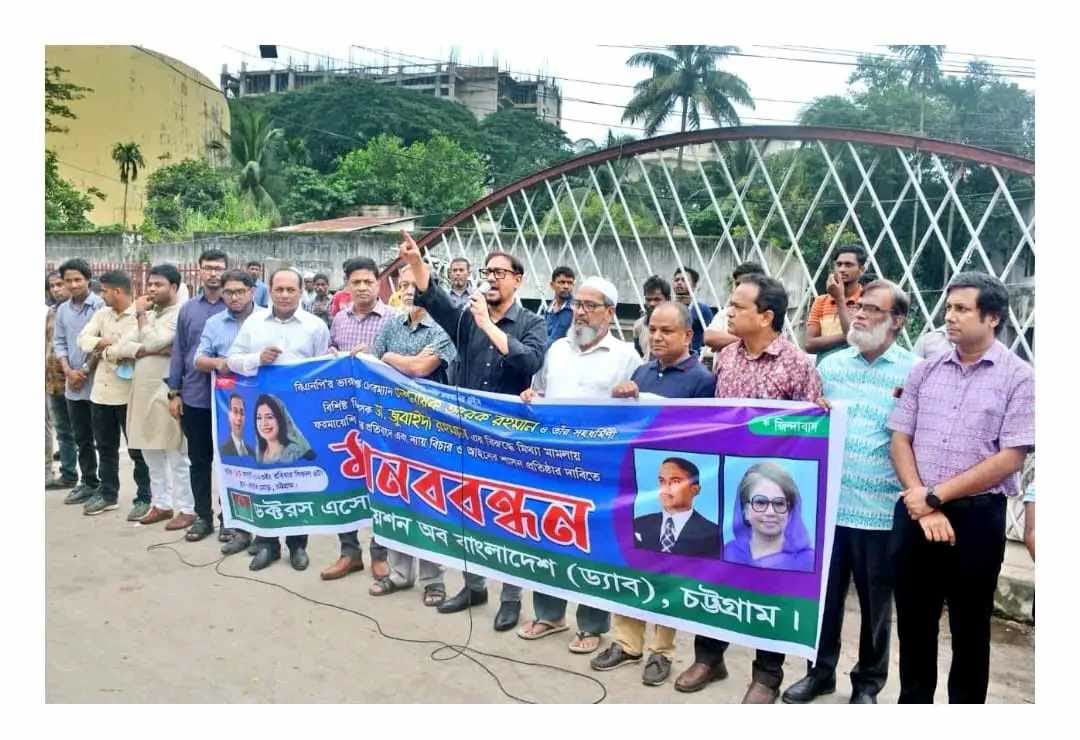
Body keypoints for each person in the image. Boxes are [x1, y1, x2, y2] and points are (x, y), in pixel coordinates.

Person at [675, 272, 822, 703]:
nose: (730, 312)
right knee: (714, 571)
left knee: (770, 577)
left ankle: (768, 673)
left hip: (770, 496)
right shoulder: (726, 359)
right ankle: (709, 656)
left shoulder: (797, 364)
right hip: (724, 487)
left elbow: (811, 435)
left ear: (767, 316)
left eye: (738, 306)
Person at [888, 271, 1034, 704]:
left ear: (991, 318)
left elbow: (1010, 457)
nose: (948, 317)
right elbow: (900, 437)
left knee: (970, 628)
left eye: (961, 309)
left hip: (975, 519)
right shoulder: (926, 370)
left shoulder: (1019, 378)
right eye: (948, 307)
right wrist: (923, 503)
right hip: (917, 512)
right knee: (914, 623)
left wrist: (936, 497)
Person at [400, 229, 546, 632]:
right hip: (467, 436)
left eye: (501, 272)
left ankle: (511, 598)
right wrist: (415, 262)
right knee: (469, 512)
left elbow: (528, 363)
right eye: (488, 271)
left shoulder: (532, 323)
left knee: (511, 518)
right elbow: (438, 301)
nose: (492, 278)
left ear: (518, 279)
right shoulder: (465, 319)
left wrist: (490, 325)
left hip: (510, 440)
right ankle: (474, 585)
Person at [783, 279, 917, 705]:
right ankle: (820, 673)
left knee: (877, 607)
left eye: (871, 309)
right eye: (857, 305)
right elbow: (807, 426)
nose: (857, 313)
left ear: (897, 321)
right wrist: (814, 409)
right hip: (829, 507)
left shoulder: (914, 372)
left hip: (882, 510)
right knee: (823, 600)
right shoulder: (832, 367)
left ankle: (868, 683)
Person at [594, 300, 716, 686]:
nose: (658, 337)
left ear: (687, 336)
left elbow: (704, 437)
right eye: (653, 330)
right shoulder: (641, 371)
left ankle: (661, 652)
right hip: (639, 487)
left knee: (669, 571)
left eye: (667, 331)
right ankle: (626, 642)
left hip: (675, 492)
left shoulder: (702, 379)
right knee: (630, 562)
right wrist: (621, 398)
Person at [517, 276, 641, 653]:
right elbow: (541, 390)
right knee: (547, 536)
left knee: (592, 543)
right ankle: (549, 614)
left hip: (598, 469)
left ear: (610, 312)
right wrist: (530, 396)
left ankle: (591, 625)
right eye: (577, 304)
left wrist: (634, 394)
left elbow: (639, 412)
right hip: (552, 463)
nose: (581, 313)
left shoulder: (626, 356)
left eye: (590, 305)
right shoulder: (556, 349)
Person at [346, 264, 457, 601]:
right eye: (404, 285)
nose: (409, 291)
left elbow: (421, 368)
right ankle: (399, 572)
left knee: (431, 499)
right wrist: (399, 359)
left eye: (416, 285)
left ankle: (433, 578)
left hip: (430, 429)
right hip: (391, 426)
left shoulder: (444, 327)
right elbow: (371, 359)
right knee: (395, 494)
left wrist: (391, 357)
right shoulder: (393, 322)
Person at [228, 267, 331, 572]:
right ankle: (267, 544)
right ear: (269, 290)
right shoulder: (253, 323)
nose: (285, 295)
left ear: (302, 292)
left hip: (300, 415)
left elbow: (322, 371)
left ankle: (297, 545)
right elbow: (232, 360)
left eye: (291, 290)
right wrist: (255, 360)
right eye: (279, 289)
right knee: (265, 479)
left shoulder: (315, 327)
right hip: (261, 416)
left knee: (298, 479)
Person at [114, 264, 194, 529]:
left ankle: (187, 508)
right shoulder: (151, 314)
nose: (151, 289)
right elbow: (121, 346)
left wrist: (140, 320)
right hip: (142, 391)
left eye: (158, 285)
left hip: (166, 391)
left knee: (175, 452)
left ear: (173, 287)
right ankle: (161, 504)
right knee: (150, 451)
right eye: (150, 285)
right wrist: (146, 349)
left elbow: (155, 340)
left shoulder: (179, 314)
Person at [328, 256, 393, 579]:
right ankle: (348, 551)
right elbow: (331, 352)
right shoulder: (339, 319)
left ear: (379, 283)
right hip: (343, 413)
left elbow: (399, 366)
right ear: (348, 286)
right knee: (346, 479)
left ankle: (379, 552)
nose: (363, 287)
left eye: (369, 281)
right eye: (357, 282)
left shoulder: (393, 319)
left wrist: (376, 358)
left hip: (379, 414)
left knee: (380, 482)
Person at [193, 269, 259, 555]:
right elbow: (199, 359)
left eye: (240, 291)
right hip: (227, 406)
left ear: (251, 292)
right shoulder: (214, 323)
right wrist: (224, 363)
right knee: (231, 464)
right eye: (228, 292)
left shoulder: (266, 320)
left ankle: (265, 526)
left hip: (263, 405)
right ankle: (230, 520)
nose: (234, 297)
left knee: (264, 464)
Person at [76, 270, 152, 519]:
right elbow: (82, 340)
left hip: (129, 394)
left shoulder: (140, 317)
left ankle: (145, 497)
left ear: (117, 291)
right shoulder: (102, 314)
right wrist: (103, 342)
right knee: (105, 447)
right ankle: (107, 494)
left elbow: (136, 349)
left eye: (105, 291)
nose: (102, 295)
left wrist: (112, 349)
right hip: (101, 394)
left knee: (137, 449)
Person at [168, 250, 230, 542]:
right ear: (199, 271)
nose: (214, 273)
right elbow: (179, 351)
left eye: (219, 268)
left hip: (232, 401)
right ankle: (203, 517)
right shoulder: (188, 310)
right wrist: (174, 391)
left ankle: (229, 518)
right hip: (195, 396)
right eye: (208, 268)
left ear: (228, 271)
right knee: (199, 460)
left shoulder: (242, 308)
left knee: (230, 461)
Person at [53, 259, 104, 505]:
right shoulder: (62, 310)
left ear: (88, 279)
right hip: (72, 384)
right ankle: (89, 482)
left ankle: (106, 486)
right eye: (68, 280)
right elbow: (59, 343)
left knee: (103, 438)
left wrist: (83, 371)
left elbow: (103, 341)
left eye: (78, 280)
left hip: (98, 383)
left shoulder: (100, 307)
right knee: (81, 436)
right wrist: (68, 370)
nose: (73, 285)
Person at [725, 462, 814, 570]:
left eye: (779, 503)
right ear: (745, 510)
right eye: (761, 502)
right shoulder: (730, 553)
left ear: (790, 511)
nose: (770, 512)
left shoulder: (808, 561)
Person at [634, 457, 717, 557]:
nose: (665, 487)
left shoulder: (713, 533)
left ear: (695, 490)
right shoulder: (638, 523)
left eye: (676, 481)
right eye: (662, 481)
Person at [804, 245, 867, 363]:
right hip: (824, 372)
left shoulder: (868, 301)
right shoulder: (821, 301)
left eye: (848, 265)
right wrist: (848, 336)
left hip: (856, 373)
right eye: (839, 264)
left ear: (861, 270)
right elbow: (809, 345)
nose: (842, 269)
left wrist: (839, 299)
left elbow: (860, 345)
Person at [46, 272, 78, 490]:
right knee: (63, 430)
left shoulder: (78, 311)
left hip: (75, 379)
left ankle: (91, 480)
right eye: (52, 286)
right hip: (53, 381)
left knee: (83, 432)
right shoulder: (51, 312)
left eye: (60, 284)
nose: (56, 289)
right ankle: (68, 474)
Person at [704, 261, 764, 353]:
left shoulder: (765, 316)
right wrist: (747, 341)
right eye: (737, 284)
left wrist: (725, 342)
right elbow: (709, 337)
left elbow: (767, 342)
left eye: (744, 285)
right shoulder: (725, 313)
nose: (738, 289)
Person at [253, 394, 312, 464]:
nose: (264, 423)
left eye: (269, 417)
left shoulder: (295, 453)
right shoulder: (259, 454)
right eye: (259, 418)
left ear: (280, 420)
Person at [672, 266, 713, 353]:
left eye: (684, 280)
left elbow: (710, 337)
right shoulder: (668, 309)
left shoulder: (702, 310)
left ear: (694, 286)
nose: (679, 283)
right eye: (676, 280)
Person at [631, 275, 671, 358]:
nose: (652, 303)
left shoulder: (678, 325)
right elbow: (639, 355)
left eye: (657, 299)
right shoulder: (638, 325)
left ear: (668, 299)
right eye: (648, 299)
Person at [543, 265, 576, 348]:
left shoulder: (572, 309)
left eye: (570, 283)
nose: (566, 286)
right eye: (561, 282)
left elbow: (555, 339)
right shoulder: (550, 308)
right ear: (552, 285)